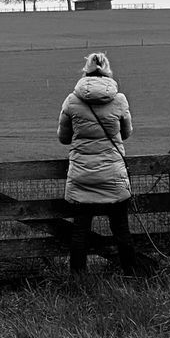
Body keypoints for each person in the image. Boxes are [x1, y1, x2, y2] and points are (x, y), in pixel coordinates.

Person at [57, 51, 136, 276]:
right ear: (108, 71)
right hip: (113, 173)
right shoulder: (119, 100)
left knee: (80, 231)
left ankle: (79, 279)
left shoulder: (72, 101)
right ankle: (131, 275)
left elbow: (63, 138)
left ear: (86, 71)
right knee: (121, 229)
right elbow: (126, 133)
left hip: (82, 175)